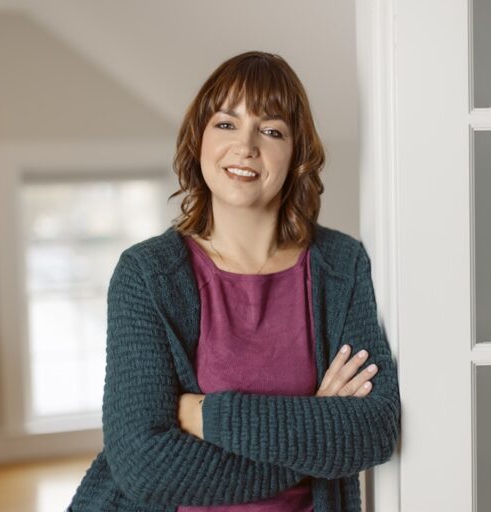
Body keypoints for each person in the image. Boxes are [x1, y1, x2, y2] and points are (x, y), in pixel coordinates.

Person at [67, 51, 400, 512]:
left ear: (295, 153)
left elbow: (373, 430)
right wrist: (312, 437)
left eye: (271, 130)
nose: (246, 146)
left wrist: (204, 415)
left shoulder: (340, 265)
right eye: (226, 124)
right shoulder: (147, 274)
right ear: (198, 140)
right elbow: (144, 466)